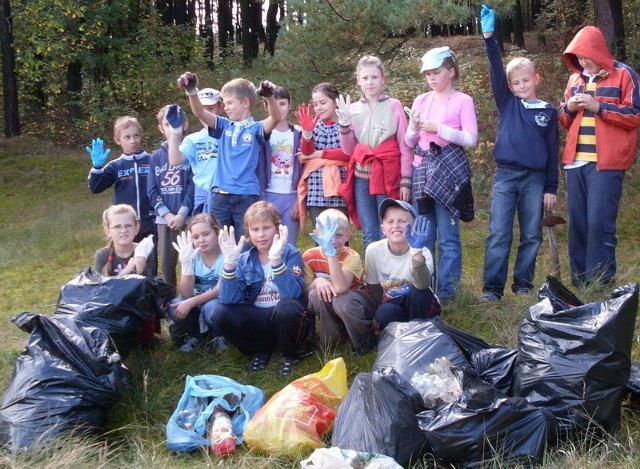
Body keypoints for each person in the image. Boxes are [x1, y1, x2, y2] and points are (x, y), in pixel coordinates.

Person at [479, 5, 559, 302]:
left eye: (526, 80)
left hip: (535, 179)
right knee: (499, 232)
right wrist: (489, 37)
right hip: (506, 176)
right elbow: (496, 70)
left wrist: (551, 186)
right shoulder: (508, 102)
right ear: (510, 86)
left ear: (536, 79)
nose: (521, 86)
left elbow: (552, 151)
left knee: (532, 235)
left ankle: (523, 285)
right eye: (516, 83)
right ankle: (492, 289)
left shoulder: (548, 112)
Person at [558, 24, 640, 287]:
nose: (584, 63)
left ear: (599, 52)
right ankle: (580, 283)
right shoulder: (575, 80)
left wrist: (599, 107)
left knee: (598, 223)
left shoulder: (624, 75)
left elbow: (636, 114)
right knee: (578, 225)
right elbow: (563, 119)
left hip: (607, 164)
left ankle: (600, 283)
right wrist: (568, 108)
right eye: (579, 59)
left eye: (587, 57)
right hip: (575, 163)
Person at [404, 45, 478, 302]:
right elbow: (410, 141)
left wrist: (440, 128)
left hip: (449, 172)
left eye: (436, 72)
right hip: (422, 171)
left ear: (451, 72)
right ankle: (426, 287)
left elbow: (471, 138)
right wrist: (413, 127)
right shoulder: (420, 101)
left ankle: (447, 292)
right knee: (424, 233)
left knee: (448, 235)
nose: (431, 78)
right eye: (427, 74)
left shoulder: (463, 101)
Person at [172, 73, 281, 241]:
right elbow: (200, 112)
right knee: (221, 242)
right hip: (219, 196)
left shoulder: (256, 129)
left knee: (244, 242)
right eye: (224, 103)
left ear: (245, 103)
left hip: (245, 195)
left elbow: (276, 117)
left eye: (230, 103)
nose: (226, 107)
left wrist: (270, 97)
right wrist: (192, 91)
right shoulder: (223, 125)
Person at [211, 201, 312, 376]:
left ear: (277, 228)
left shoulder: (290, 253)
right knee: (219, 312)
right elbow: (229, 299)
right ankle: (258, 350)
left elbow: (292, 294)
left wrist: (276, 260)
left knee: (287, 307)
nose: (261, 235)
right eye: (255, 229)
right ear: (248, 232)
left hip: (283, 317)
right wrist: (229, 264)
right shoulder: (243, 259)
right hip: (259, 316)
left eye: (266, 228)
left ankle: (291, 353)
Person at [336, 55, 413, 251]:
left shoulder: (393, 105)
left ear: (383, 79)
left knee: (387, 228)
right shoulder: (352, 109)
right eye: (365, 78)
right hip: (362, 178)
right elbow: (349, 150)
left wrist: (406, 179)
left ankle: (390, 276)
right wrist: (344, 124)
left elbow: (405, 145)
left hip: (388, 176)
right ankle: (373, 278)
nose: (370, 82)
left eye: (374, 77)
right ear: (358, 81)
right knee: (370, 230)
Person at [303, 209, 377, 355]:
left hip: (355, 303)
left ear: (348, 236)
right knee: (314, 295)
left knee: (341, 300)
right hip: (332, 304)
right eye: (327, 235)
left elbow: (341, 287)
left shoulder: (352, 257)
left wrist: (330, 254)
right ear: (317, 235)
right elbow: (305, 290)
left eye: (338, 235)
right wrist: (318, 281)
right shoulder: (309, 256)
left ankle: (364, 340)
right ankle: (332, 340)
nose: (333, 240)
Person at [365, 199, 441, 332]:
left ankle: (421, 333)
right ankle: (400, 338)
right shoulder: (373, 250)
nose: (396, 225)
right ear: (383, 229)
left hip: (420, 303)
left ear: (413, 226)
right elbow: (374, 287)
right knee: (384, 312)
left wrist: (417, 253)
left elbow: (423, 285)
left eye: (402, 221)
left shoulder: (423, 252)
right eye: (390, 221)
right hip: (393, 303)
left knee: (417, 291)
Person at [147, 104, 195, 288]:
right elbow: (151, 190)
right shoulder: (155, 157)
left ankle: (190, 300)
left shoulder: (190, 152)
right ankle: (169, 303)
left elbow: (193, 186)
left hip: (188, 218)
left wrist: (182, 214)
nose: (171, 128)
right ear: (161, 128)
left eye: (175, 124)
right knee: (167, 265)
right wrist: (167, 215)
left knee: (190, 260)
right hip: (164, 220)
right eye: (167, 125)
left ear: (185, 125)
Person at [87, 116, 155, 242]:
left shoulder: (153, 160)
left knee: (149, 259)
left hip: (150, 220)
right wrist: (96, 167)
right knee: (126, 259)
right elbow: (95, 188)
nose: (133, 141)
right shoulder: (115, 166)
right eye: (127, 137)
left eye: (136, 136)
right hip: (125, 224)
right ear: (118, 140)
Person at [168, 213, 227, 353]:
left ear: (217, 233)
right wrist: (186, 265)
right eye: (196, 237)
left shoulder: (226, 255)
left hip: (219, 304)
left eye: (206, 234)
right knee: (174, 305)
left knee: (211, 308)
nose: (201, 240)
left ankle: (219, 335)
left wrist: (191, 302)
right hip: (196, 303)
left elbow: (220, 290)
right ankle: (197, 334)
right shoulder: (193, 256)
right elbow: (186, 294)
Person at [295, 82, 350, 231]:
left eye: (323, 102)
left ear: (335, 101)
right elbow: (306, 152)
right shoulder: (315, 125)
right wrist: (307, 133)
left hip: (340, 186)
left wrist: (318, 155)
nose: (319, 107)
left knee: (339, 232)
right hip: (316, 188)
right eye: (315, 104)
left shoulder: (345, 124)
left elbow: (347, 152)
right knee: (320, 233)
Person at [167, 88, 225, 215]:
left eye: (211, 109)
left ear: (220, 108)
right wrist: (175, 132)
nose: (206, 114)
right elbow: (175, 160)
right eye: (202, 109)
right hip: (203, 194)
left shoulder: (230, 133)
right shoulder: (193, 139)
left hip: (228, 193)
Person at [258, 86, 303, 246]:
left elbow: (306, 170)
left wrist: (299, 200)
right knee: (266, 243)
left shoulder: (299, 133)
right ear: (266, 106)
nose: (279, 108)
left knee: (288, 244)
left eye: (283, 103)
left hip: (291, 196)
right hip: (268, 195)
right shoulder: (260, 132)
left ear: (290, 105)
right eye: (274, 104)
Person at [94, 204, 155, 277]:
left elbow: (148, 286)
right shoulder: (102, 255)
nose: (123, 230)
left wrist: (140, 265)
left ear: (136, 228)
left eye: (128, 225)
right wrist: (127, 270)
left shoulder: (144, 250)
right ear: (108, 231)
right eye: (117, 226)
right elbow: (100, 287)